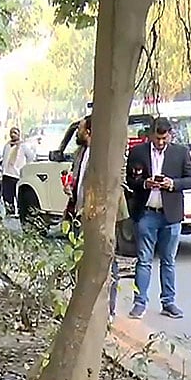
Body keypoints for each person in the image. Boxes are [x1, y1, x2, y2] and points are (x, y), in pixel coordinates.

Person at [126, 117, 191, 319]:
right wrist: (144, 183)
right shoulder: (138, 152)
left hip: (170, 214)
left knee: (168, 260)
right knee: (144, 260)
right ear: (150, 135)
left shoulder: (180, 153)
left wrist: (172, 184)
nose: (160, 142)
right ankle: (140, 302)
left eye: (164, 138)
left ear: (170, 135)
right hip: (146, 213)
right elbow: (130, 179)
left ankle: (169, 302)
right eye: (157, 138)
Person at [65, 115, 123, 318]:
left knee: (105, 261)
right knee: (79, 260)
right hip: (78, 213)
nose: (78, 133)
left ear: (89, 131)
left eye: (80, 129)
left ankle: (109, 311)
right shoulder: (80, 152)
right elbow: (78, 178)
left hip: (98, 215)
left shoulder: (105, 155)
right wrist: (70, 187)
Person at [1, 127, 35, 216]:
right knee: (7, 196)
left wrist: (24, 167)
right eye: (11, 133)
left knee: (18, 196)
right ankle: (10, 212)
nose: (13, 135)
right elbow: (4, 158)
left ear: (19, 134)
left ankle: (21, 213)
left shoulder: (23, 146)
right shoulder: (7, 145)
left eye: (15, 133)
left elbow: (31, 157)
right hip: (6, 173)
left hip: (17, 175)